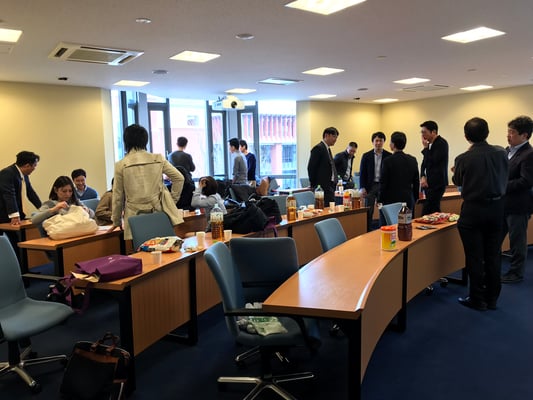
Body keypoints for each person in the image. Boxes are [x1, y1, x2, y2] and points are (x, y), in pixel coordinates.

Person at [452, 117, 508, 311]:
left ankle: (477, 298)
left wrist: (456, 171)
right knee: (493, 255)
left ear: (466, 136)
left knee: (475, 256)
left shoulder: (463, 158)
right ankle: (492, 298)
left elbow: (458, 181)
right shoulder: (501, 153)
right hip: (497, 208)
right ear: (487, 133)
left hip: (473, 210)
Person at [111, 124, 185, 240]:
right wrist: (172, 200)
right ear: (145, 140)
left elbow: (117, 196)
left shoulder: (121, 165)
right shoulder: (158, 158)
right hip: (158, 213)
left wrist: (116, 220)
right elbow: (179, 178)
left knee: (140, 248)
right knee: (163, 246)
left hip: (134, 217)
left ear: (126, 141)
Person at [500, 115, 533, 283]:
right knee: (495, 237)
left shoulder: (529, 154)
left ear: (524, 135)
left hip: (518, 206)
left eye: (512, 132)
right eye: (508, 132)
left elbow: (526, 181)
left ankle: (516, 273)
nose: (508, 135)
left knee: (517, 241)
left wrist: (501, 185)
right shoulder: (507, 151)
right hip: (502, 204)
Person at [379, 131, 419, 212]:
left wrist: (380, 199)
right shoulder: (412, 160)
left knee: (390, 220)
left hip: (390, 200)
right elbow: (416, 182)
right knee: (407, 220)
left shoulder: (387, 161)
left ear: (393, 145)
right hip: (407, 199)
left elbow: (383, 183)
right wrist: (415, 198)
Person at [359, 132, 391, 230]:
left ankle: (383, 228)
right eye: (376, 141)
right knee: (369, 210)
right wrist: (362, 187)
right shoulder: (366, 156)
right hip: (371, 186)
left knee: (383, 209)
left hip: (383, 186)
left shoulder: (389, 156)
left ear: (384, 142)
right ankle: (368, 230)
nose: (378, 143)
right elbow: (362, 173)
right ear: (372, 142)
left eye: (381, 141)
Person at [0, 151, 41, 226]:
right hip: (5, 216)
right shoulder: (7, 173)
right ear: (27, 165)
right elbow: (9, 194)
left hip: (19, 215)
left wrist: (42, 209)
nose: (35, 168)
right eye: (34, 165)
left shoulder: (24, 175)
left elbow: (31, 193)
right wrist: (14, 215)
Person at [420, 120, 449, 215]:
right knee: (432, 210)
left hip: (438, 184)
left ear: (433, 132)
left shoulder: (441, 143)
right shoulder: (429, 145)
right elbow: (424, 164)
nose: (422, 135)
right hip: (429, 184)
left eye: (424, 132)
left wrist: (425, 149)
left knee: (429, 210)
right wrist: (422, 176)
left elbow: (434, 161)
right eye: (421, 132)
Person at [307, 127, 340, 204]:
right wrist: (314, 185)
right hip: (322, 186)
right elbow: (311, 168)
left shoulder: (327, 149)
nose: (335, 139)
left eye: (336, 137)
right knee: (326, 207)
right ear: (326, 135)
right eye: (334, 136)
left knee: (332, 205)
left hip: (330, 185)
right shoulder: (318, 148)